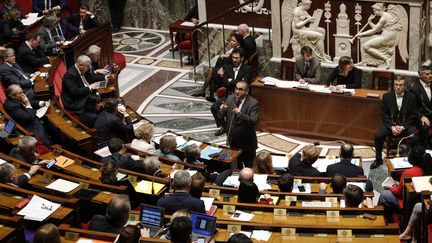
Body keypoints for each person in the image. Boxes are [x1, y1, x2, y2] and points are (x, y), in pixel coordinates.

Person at [371, 77, 418, 169]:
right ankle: (378, 159)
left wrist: (403, 127)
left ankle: (411, 160)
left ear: (404, 86)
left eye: (400, 85)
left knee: (415, 137)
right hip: (390, 125)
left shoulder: (411, 97)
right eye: (396, 85)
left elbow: (413, 115)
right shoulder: (386, 96)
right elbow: (384, 115)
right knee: (378, 136)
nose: (398, 87)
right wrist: (392, 127)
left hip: (405, 126)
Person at [212, 49, 252, 136]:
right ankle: (224, 125)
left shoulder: (247, 69)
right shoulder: (228, 67)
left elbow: (244, 84)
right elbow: (225, 82)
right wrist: (235, 81)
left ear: (242, 58)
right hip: (228, 94)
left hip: (241, 97)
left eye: (237, 58)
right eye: (233, 57)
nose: (234, 60)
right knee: (214, 107)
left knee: (234, 110)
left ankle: (237, 128)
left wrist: (231, 81)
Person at [219, 81, 259, 168]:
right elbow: (223, 116)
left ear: (247, 91)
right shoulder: (230, 98)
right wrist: (222, 111)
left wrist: (240, 114)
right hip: (232, 140)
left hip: (247, 142)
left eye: (240, 89)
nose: (237, 91)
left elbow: (254, 121)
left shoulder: (253, 103)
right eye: (236, 88)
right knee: (235, 165)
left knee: (249, 166)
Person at [191, 33, 243, 101]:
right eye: (231, 40)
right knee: (212, 73)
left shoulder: (239, 50)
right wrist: (226, 56)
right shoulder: (236, 49)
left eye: (233, 41)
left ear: (238, 42)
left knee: (211, 71)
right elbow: (231, 59)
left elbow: (232, 63)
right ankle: (210, 95)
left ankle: (203, 91)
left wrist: (222, 68)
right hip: (227, 68)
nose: (231, 42)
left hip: (229, 72)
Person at [379, 146, 424, 222]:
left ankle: (388, 222)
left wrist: (389, 187)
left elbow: (399, 193)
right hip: (420, 200)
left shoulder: (408, 173)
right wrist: (400, 184)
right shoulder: (427, 169)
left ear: (411, 159)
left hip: (407, 203)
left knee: (384, 194)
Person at [409, 65, 432, 148]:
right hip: (419, 116)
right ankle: (424, 148)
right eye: (427, 74)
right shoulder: (414, 89)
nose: (430, 76)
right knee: (424, 127)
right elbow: (412, 108)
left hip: (430, 114)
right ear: (420, 75)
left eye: (430, 73)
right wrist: (421, 117)